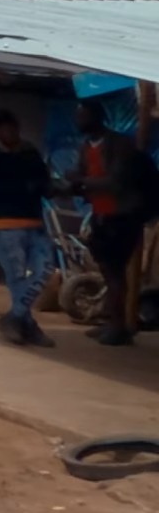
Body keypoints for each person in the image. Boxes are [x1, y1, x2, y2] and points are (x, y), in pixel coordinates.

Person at [70, 101, 155, 346]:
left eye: (83, 117)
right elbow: (83, 177)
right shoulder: (86, 145)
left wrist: (81, 180)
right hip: (102, 213)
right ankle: (114, 322)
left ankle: (118, 326)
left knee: (115, 271)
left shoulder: (120, 144)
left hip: (123, 215)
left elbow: (115, 181)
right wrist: (77, 181)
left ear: (97, 117)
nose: (79, 122)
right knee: (108, 271)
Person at [0, 108, 55, 347]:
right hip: (4, 223)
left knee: (45, 269)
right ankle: (27, 324)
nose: (12, 133)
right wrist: (26, 183)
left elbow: (42, 181)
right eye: (6, 129)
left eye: (14, 128)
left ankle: (15, 317)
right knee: (16, 276)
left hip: (33, 221)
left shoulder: (29, 151)